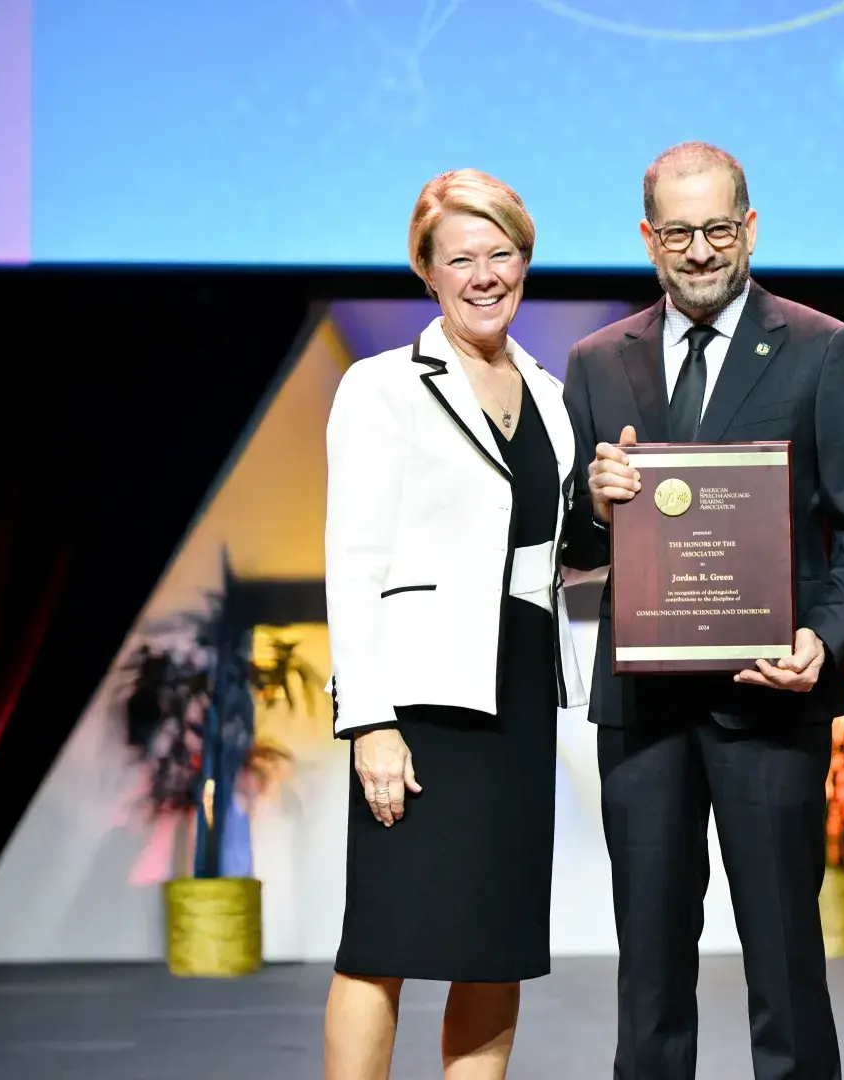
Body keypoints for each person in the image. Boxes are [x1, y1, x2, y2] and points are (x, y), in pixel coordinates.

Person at [562, 142, 844, 1080]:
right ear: (648, 238)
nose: (701, 251)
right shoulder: (596, 363)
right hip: (643, 713)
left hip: (770, 702)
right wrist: (593, 504)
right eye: (679, 233)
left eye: (719, 229)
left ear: (750, 228)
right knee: (651, 982)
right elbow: (577, 552)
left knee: (788, 971)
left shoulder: (824, 349)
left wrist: (820, 637)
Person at [321, 168, 605, 1080]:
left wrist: (603, 511)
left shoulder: (557, 396)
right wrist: (370, 720)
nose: (486, 275)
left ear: (524, 261)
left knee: (495, 942)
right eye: (462, 259)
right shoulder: (381, 387)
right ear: (428, 273)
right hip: (419, 700)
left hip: (520, 685)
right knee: (383, 936)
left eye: (502, 254)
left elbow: (563, 557)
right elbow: (356, 559)